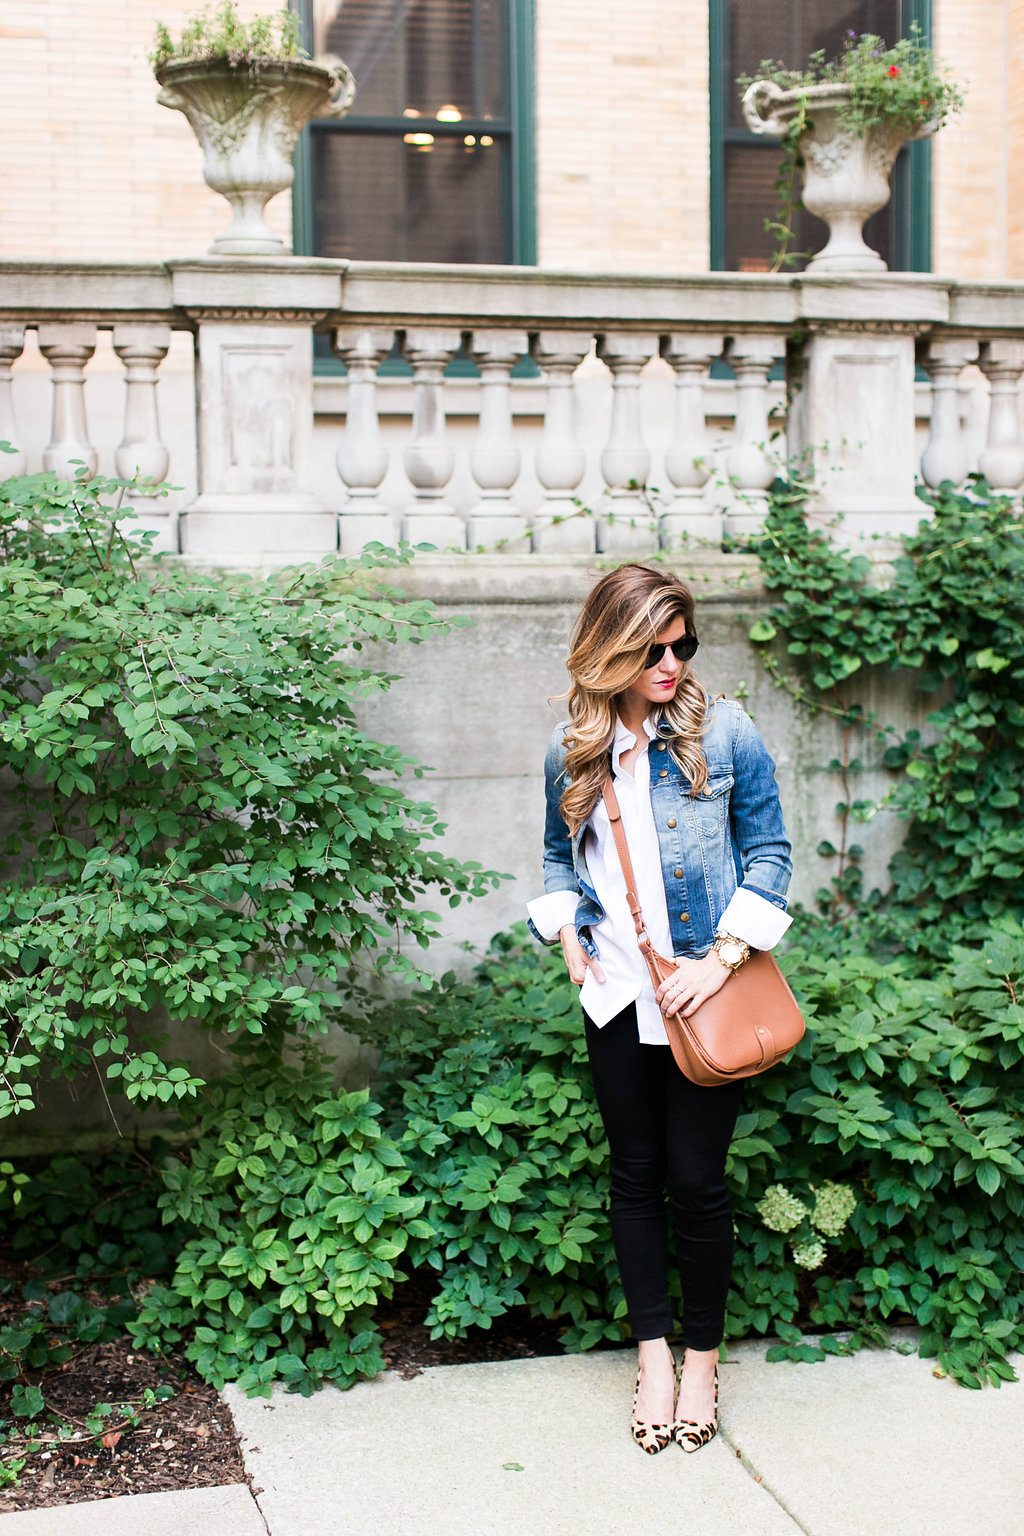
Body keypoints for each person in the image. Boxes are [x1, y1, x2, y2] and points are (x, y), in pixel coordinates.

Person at [527, 562, 793, 1455]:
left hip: (700, 997)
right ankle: (652, 1358)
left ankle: (704, 1360)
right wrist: (568, 933)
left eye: (681, 645)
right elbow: (560, 867)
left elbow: (771, 856)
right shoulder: (575, 744)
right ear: (611, 648)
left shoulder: (727, 734)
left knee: (698, 1183)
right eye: (651, 648)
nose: (671, 664)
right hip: (613, 994)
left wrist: (720, 961)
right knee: (634, 1178)